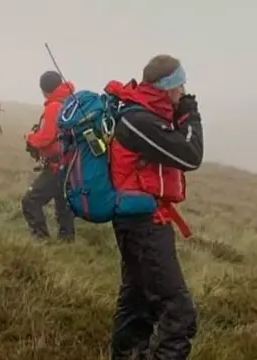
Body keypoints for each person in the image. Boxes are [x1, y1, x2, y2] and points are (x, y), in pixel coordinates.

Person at [105, 55, 203, 360]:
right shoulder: (139, 121)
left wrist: (179, 115)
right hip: (144, 225)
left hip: (141, 219)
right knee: (178, 312)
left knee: (138, 302)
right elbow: (190, 155)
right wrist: (191, 115)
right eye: (180, 86)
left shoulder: (144, 116)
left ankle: (127, 355)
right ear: (167, 88)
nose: (184, 92)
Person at [21, 71, 75, 241]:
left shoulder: (53, 107)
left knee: (30, 201)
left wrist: (29, 137)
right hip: (70, 164)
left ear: (44, 89)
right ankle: (67, 241)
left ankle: (41, 240)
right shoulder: (70, 101)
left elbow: (45, 138)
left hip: (56, 165)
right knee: (63, 204)